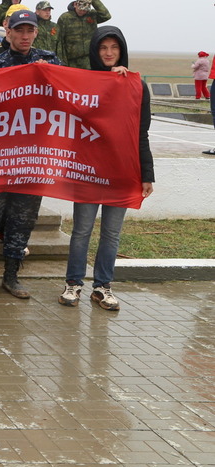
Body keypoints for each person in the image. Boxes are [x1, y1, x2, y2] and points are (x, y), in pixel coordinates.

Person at [60, 26, 154, 311]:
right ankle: (74, 284)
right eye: (103, 48)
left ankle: (102, 287)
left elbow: (142, 133)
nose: (109, 53)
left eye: (114, 47)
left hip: (123, 172)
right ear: (95, 51)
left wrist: (147, 174)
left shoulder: (136, 86)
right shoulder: (83, 82)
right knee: (82, 230)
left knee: (112, 233)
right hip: (88, 170)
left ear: (122, 50)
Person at [0, 9, 61, 299]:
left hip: (33, 157)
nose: (24, 36)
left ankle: (11, 274)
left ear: (36, 32)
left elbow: (69, 94)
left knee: (23, 218)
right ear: (8, 31)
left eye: (29, 31)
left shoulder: (50, 61)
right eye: (19, 30)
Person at [55, 0, 112, 69]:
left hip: (90, 59)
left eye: (85, 10)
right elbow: (60, 41)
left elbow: (106, 15)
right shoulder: (65, 18)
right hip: (72, 61)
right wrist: (62, 62)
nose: (82, 12)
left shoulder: (92, 15)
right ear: (75, 4)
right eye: (81, 9)